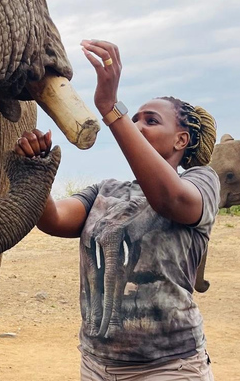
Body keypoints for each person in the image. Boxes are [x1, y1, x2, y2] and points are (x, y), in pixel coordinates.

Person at [14, 40, 219, 380]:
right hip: (98, 365)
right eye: (133, 119)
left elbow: (171, 200)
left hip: (170, 367)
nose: (136, 126)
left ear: (181, 140)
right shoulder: (104, 190)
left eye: (150, 121)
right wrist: (35, 171)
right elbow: (53, 219)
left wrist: (111, 109)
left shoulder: (201, 182)